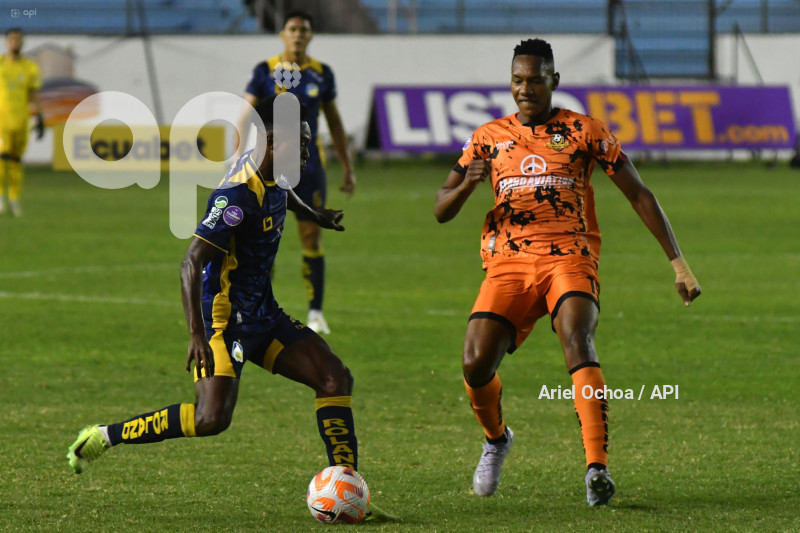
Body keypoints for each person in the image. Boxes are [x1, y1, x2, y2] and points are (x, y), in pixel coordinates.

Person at [434, 38, 701, 506]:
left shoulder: (585, 131)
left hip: (569, 257)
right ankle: (496, 440)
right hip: (508, 265)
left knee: (577, 336)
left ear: (554, 81)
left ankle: (596, 469)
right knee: (475, 363)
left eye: (536, 80)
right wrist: (467, 185)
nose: (526, 89)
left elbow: (639, 193)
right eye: (518, 80)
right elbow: (441, 208)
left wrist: (678, 263)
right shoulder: (486, 137)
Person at [67, 96, 361, 486]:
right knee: (211, 419)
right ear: (273, 141)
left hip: (264, 316)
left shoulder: (273, 171)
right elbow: (191, 260)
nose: (309, 154)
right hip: (225, 324)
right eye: (303, 145)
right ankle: (104, 436)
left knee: (333, 377)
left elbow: (281, 192)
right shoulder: (235, 197)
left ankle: (347, 484)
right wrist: (197, 335)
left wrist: (314, 215)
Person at [235, 10, 356, 335]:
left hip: (309, 167)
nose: (298, 34)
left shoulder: (321, 74)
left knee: (311, 234)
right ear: (283, 34)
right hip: (268, 165)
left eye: (304, 29)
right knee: (260, 235)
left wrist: (347, 167)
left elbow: (334, 122)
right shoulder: (264, 71)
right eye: (293, 29)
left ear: (311, 35)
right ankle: (255, 304)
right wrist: (234, 156)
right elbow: (244, 115)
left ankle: (316, 313)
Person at [0, 27, 44, 217]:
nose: (15, 43)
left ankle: (15, 200)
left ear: (23, 42)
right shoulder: (1, 65)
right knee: (1, 160)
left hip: (21, 122)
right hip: (1, 122)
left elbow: (34, 94)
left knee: (16, 162)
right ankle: (0, 198)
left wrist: (40, 116)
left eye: (18, 39)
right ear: (6, 42)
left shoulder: (29, 67)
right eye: (12, 39)